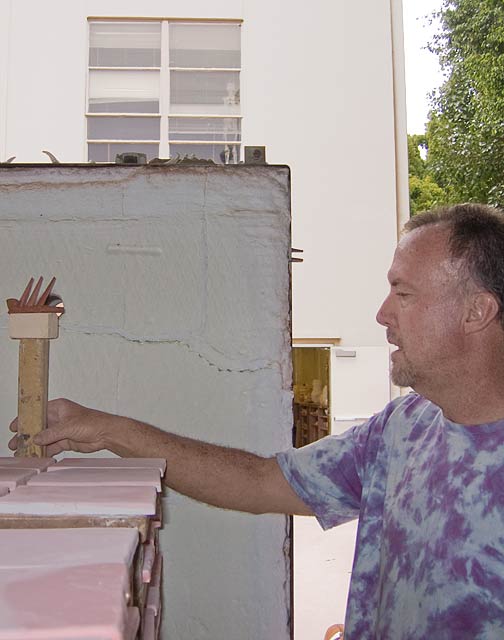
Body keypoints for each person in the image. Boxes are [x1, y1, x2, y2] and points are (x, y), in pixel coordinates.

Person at [9, 203, 504, 638]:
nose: (381, 314)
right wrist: (107, 428)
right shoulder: (402, 428)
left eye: (404, 294)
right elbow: (261, 481)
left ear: (477, 311)